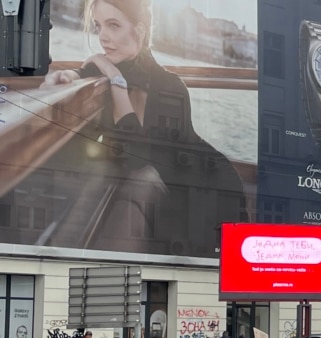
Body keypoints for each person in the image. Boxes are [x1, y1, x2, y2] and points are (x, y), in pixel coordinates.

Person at [38, 0, 246, 258]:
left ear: (140, 31)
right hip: (147, 192)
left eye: (113, 25)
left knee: (138, 183)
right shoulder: (102, 71)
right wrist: (71, 75)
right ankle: (54, 262)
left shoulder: (172, 88)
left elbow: (137, 156)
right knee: (109, 182)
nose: (103, 36)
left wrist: (115, 80)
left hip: (196, 196)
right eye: (98, 25)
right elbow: (85, 76)